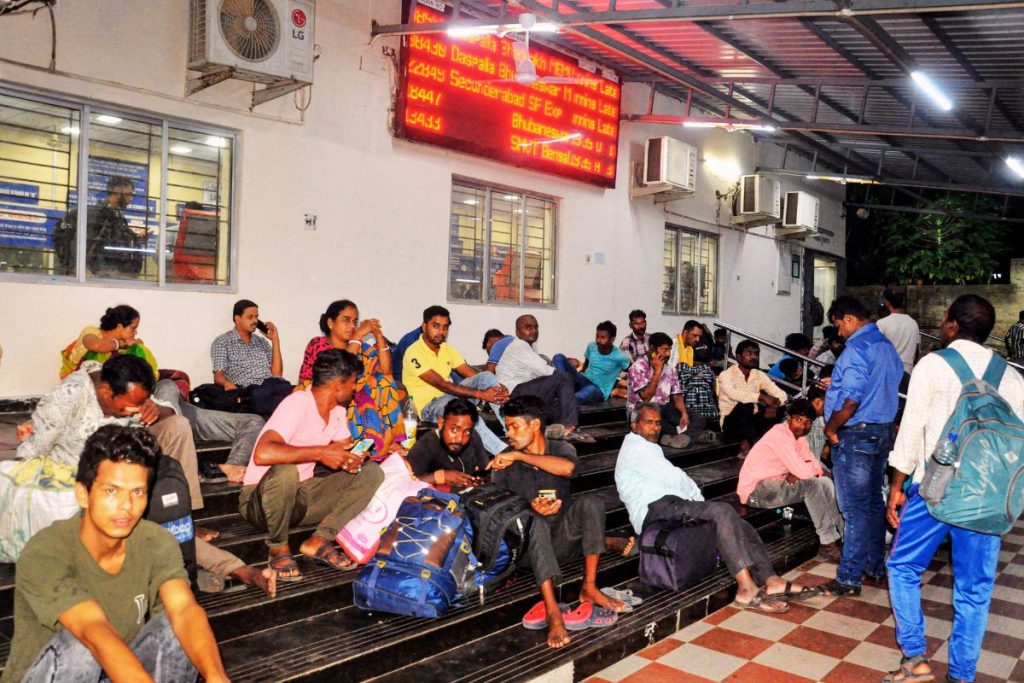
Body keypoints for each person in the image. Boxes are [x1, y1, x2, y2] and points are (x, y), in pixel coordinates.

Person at [0, 425, 229, 683]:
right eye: (111, 491)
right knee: (80, 646)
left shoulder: (156, 541)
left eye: (138, 492)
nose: (126, 506)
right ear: (83, 494)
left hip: (117, 672)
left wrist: (216, 676)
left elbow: (185, 609)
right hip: (59, 673)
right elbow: (92, 632)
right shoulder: (45, 551)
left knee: (177, 628)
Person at [884, 295, 1024, 683]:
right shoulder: (1011, 375)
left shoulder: (933, 365)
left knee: (903, 567)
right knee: (975, 590)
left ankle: (915, 659)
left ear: (951, 325)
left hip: (934, 492)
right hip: (987, 501)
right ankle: (962, 676)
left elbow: (911, 431)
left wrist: (897, 485)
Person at [0, 355, 206, 561]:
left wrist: (156, 408)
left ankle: (184, 513)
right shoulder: (69, 396)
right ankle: (205, 554)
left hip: (128, 462)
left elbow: (169, 410)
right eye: (129, 406)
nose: (133, 411)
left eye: (139, 404)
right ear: (105, 392)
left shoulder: (129, 389)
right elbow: (34, 448)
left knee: (177, 425)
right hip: (81, 474)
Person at [615, 403, 812, 614]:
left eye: (658, 423)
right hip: (653, 510)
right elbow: (675, 478)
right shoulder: (635, 448)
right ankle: (746, 588)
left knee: (739, 524)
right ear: (635, 426)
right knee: (721, 512)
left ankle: (770, 579)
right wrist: (699, 500)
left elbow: (673, 480)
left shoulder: (646, 446)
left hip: (669, 504)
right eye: (648, 423)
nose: (654, 428)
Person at [489, 396, 631, 649]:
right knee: (535, 520)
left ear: (534, 425)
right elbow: (500, 514)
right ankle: (553, 610)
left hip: (562, 540)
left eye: (514, 426)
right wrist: (528, 508)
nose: (509, 433)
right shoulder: (503, 461)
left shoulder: (559, 449)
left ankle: (589, 586)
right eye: (507, 427)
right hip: (528, 552)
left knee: (591, 503)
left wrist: (520, 457)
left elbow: (567, 469)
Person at [239, 349, 385, 581]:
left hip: (302, 497)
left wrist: (353, 458)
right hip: (261, 501)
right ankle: (278, 546)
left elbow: (343, 449)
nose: (355, 388)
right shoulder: (297, 403)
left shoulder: (337, 412)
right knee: (286, 471)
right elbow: (263, 453)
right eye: (353, 383)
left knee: (372, 472)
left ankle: (319, 539)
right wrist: (321, 452)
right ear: (338, 385)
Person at [820, 295, 903, 597]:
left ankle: (848, 578)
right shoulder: (886, 347)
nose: (838, 332)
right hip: (881, 433)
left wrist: (830, 429)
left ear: (850, 319)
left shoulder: (856, 348)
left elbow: (852, 401)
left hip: (855, 436)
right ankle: (875, 566)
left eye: (839, 325)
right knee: (872, 503)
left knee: (854, 509)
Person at [737, 399, 843, 562]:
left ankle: (843, 535)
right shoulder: (779, 434)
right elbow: (804, 470)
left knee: (825, 482)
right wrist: (803, 471)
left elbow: (815, 465)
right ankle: (827, 542)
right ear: (788, 418)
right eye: (798, 420)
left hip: (776, 484)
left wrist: (804, 471)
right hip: (757, 490)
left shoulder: (799, 438)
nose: (803, 426)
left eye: (808, 422)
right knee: (812, 484)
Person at [298, 300, 406, 456]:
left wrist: (378, 336)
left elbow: (386, 370)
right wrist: (358, 336)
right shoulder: (319, 343)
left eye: (355, 321)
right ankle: (361, 449)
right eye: (346, 320)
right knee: (353, 398)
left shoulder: (359, 346)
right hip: (322, 395)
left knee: (383, 382)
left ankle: (383, 442)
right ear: (330, 322)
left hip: (352, 393)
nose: (352, 326)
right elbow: (340, 369)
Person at [402, 305, 510, 454]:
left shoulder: (446, 349)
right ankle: (504, 452)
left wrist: (499, 388)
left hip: (451, 397)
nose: (441, 332)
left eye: (445, 327)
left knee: (487, 376)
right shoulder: (413, 352)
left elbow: (471, 373)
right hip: (430, 407)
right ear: (424, 326)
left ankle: (511, 431)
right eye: (436, 326)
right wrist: (480, 394)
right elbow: (442, 384)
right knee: (463, 411)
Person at [497, 315, 594, 443]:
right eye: (528, 327)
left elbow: (543, 378)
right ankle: (568, 427)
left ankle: (551, 431)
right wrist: (572, 377)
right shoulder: (519, 346)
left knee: (572, 404)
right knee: (564, 377)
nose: (533, 331)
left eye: (536, 327)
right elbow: (550, 373)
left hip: (526, 399)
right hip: (515, 395)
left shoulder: (527, 349)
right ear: (517, 331)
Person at [210, 298, 292, 416]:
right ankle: (285, 408)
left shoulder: (261, 342)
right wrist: (227, 384)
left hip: (272, 385)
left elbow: (277, 374)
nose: (255, 321)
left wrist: (275, 340)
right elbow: (218, 376)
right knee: (257, 395)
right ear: (238, 319)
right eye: (250, 317)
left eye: (256, 317)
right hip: (250, 389)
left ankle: (286, 407)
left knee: (292, 390)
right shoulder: (222, 342)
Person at [54, 175, 145, 277]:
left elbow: (113, 240)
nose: (131, 199)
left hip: (111, 274)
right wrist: (82, 270)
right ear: (117, 191)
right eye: (129, 194)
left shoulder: (116, 216)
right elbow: (81, 243)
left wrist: (136, 238)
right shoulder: (98, 214)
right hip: (98, 275)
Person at [718, 340, 788, 453]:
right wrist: (761, 397)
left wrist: (775, 405)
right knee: (747, 405)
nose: (754, 357)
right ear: (738, 357)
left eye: (756, 354)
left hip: (751, 422)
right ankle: (748, 442)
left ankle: (754, 441)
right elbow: (733, 393)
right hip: (731, 424)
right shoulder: (726, 375)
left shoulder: (759, 374)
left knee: (780, 407)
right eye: (749, 353)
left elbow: (781, 394)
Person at [406, 398, 489, 489]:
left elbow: (486, 470)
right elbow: (405, 482)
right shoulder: (427, 444)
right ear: (441, 423)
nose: (460, 439)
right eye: (454, 430)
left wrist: (479, 479)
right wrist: (441, 477)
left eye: (467, 432)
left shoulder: (473, 436)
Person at [626, 332, 691, 449]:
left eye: (670, 350)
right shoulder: (637, 367)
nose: (668, 354)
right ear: (652, 350)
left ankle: (679, 437)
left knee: (697, 416)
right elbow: (646, 398)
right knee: (660, 424)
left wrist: (684, 413)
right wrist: (657, 372)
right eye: (664, 350)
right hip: (642, 409)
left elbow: (677, 395)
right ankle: (676, 436)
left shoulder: (670, 369)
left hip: (664, 408)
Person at [59, 305, 157, 380]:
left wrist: (135, 348)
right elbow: (95, 345)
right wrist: (123, 345)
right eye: (133, 328)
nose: (136, 332)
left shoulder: (122, 342)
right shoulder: (92, 331)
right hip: (78, 379)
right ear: (119, 327)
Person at [552, 321, 630, 406]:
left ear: (612, 339)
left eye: (603, 338)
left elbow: (633, 371)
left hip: (599, 390)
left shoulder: (620, 356)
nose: (598, 340)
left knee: (588, 391)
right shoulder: (591, 346)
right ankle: (564, 386)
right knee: (558, 357)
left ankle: (562, 401)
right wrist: (577, 375)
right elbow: (586, 365)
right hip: (584, 380)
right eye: (597, 336)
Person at [676, 345, 720, 442]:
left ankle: (691, 436)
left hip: (687, 412)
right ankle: (698, 437)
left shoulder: (679, 369)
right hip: (708, 412)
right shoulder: (709, 371)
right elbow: (714, 392)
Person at [877, 287, 920, 376]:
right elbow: (916, 351)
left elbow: (877, 351)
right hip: (907, 373)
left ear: (886, 302)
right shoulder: (913, 323)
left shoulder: (881, 323)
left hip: (888, 372)